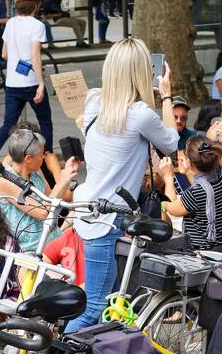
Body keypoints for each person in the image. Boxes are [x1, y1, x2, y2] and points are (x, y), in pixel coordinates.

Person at [67, 39, 176, 330]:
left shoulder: (93, 100)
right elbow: (172, 142)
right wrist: (166, 96)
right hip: (108, 218)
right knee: (95, 309)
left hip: (87, 209)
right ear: (142, 71)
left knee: (112, 302)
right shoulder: (140, 114)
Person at [0, 0, 54, 162]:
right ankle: (47, 157)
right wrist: (40, 82)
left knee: (8, 123)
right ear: (36, 5)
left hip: (13, 83)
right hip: (31, 82)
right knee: (45, 121)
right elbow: (35, 54)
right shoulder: (38, 25)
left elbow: (4, 54)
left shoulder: (10, 23)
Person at [0, 128, 79, 254]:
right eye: (41, 154)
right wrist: (63, 180)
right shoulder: (5, 181)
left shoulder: (35, 171)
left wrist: (67, 173)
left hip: (53, 238)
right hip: (32, 250)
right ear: (28, 159)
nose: (44, 157)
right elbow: (42, 211)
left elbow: (51, 197)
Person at [159, 135, 222, 255]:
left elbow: (172, 208)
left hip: (201, 255)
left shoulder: (194, 194)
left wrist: (168, 177)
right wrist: (189, 172)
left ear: (190, 162)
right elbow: (204, 187)